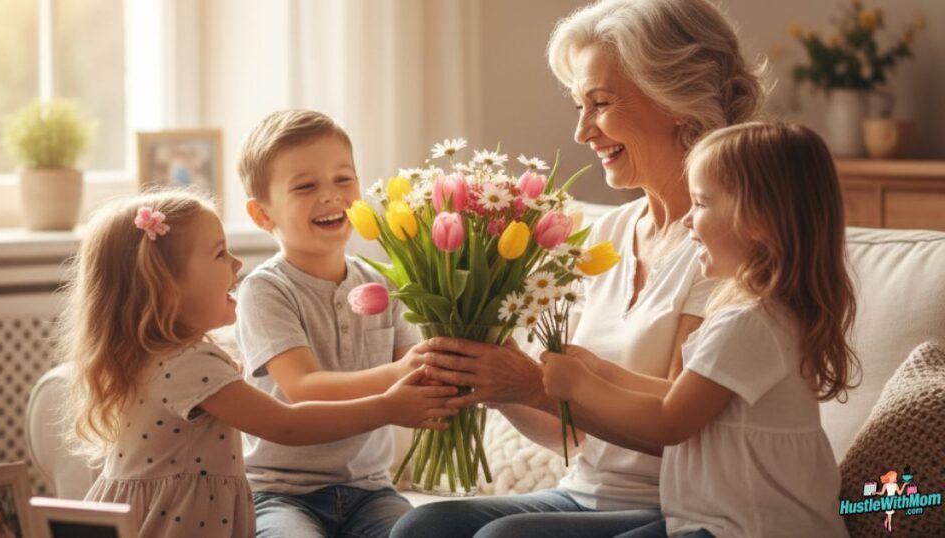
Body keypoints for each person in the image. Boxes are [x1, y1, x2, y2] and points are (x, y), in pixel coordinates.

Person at [392, 0, 764, 536]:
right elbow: (575, 436)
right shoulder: (607, 237)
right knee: (423, 527)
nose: (582, 132)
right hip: (584, 496)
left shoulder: (725, 246)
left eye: (600, 104)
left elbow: (680, 429)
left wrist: (534, 386)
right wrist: (493, 377)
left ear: (676, 100)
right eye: (579, 107)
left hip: (682, 506)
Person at [63, 191, 456, 538]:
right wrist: (387, 407)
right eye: (219, 254)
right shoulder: (189, 365)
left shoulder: (155, 357)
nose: (236, 263)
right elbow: (286, 425)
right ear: (165, 286)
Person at [542, 121, 855, 536]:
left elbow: (669, 422)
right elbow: (681, 396)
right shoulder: (758, 313)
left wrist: (580, 385)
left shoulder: (749, 324)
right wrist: (600, 370)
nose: (687, 220)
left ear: (758, 220)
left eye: (701, 204)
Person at [234, 109, 437, 537]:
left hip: (371, 491)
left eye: (343, 179)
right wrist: (397, 375)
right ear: (262, 214)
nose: (331, 196)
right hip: (281, 492)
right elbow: (304, 387)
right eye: (305, 186)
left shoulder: (385, 282)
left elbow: (417, 374)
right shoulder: (265, 290)